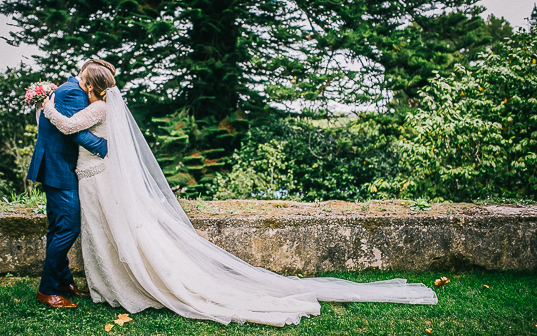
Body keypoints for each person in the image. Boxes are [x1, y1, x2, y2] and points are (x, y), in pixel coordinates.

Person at [41, 60, 438, 326]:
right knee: (103, 230)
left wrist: (45, 106)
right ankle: (97, 282)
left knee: (104, 230)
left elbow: (71, 128)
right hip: (94, 178)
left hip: (96, 176)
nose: (78, 85)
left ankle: (109, 284)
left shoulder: (98, 108)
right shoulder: (105, 105)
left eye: (82, 82)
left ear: (93, 86)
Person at [27, 59, 113, 309]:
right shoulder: (74, 92)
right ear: (90, 80)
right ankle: (47, 290)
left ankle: (63, 282)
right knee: (68, 228)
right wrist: (104, 145)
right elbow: (73, 129)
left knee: (58, 226)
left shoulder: (65, 89)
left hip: (55, 167)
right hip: (60, 169)